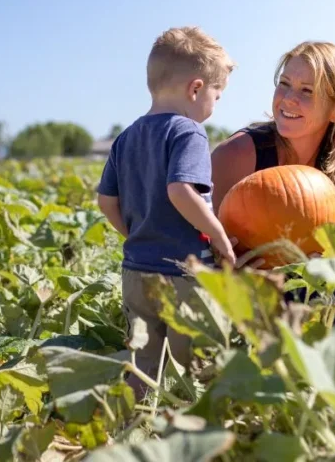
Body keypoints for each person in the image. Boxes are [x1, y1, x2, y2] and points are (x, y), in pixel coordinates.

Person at [96, 26, 237, 400]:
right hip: (182, 273)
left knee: (143, 360)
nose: (214, 105)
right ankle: (186, 421)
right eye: (216, 95)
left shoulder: (126, 137)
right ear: (195, 89)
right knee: (190, 360)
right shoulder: (187, 131)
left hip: (136, 270)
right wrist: (218, 235)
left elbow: (106, 201)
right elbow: (180, 190)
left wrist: (135, 234)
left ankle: (137, 419)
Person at [210, 40, 335, 221]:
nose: (288, 98)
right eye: (285, 83)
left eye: (307, 91)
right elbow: (207, 239)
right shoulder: (236, 154)